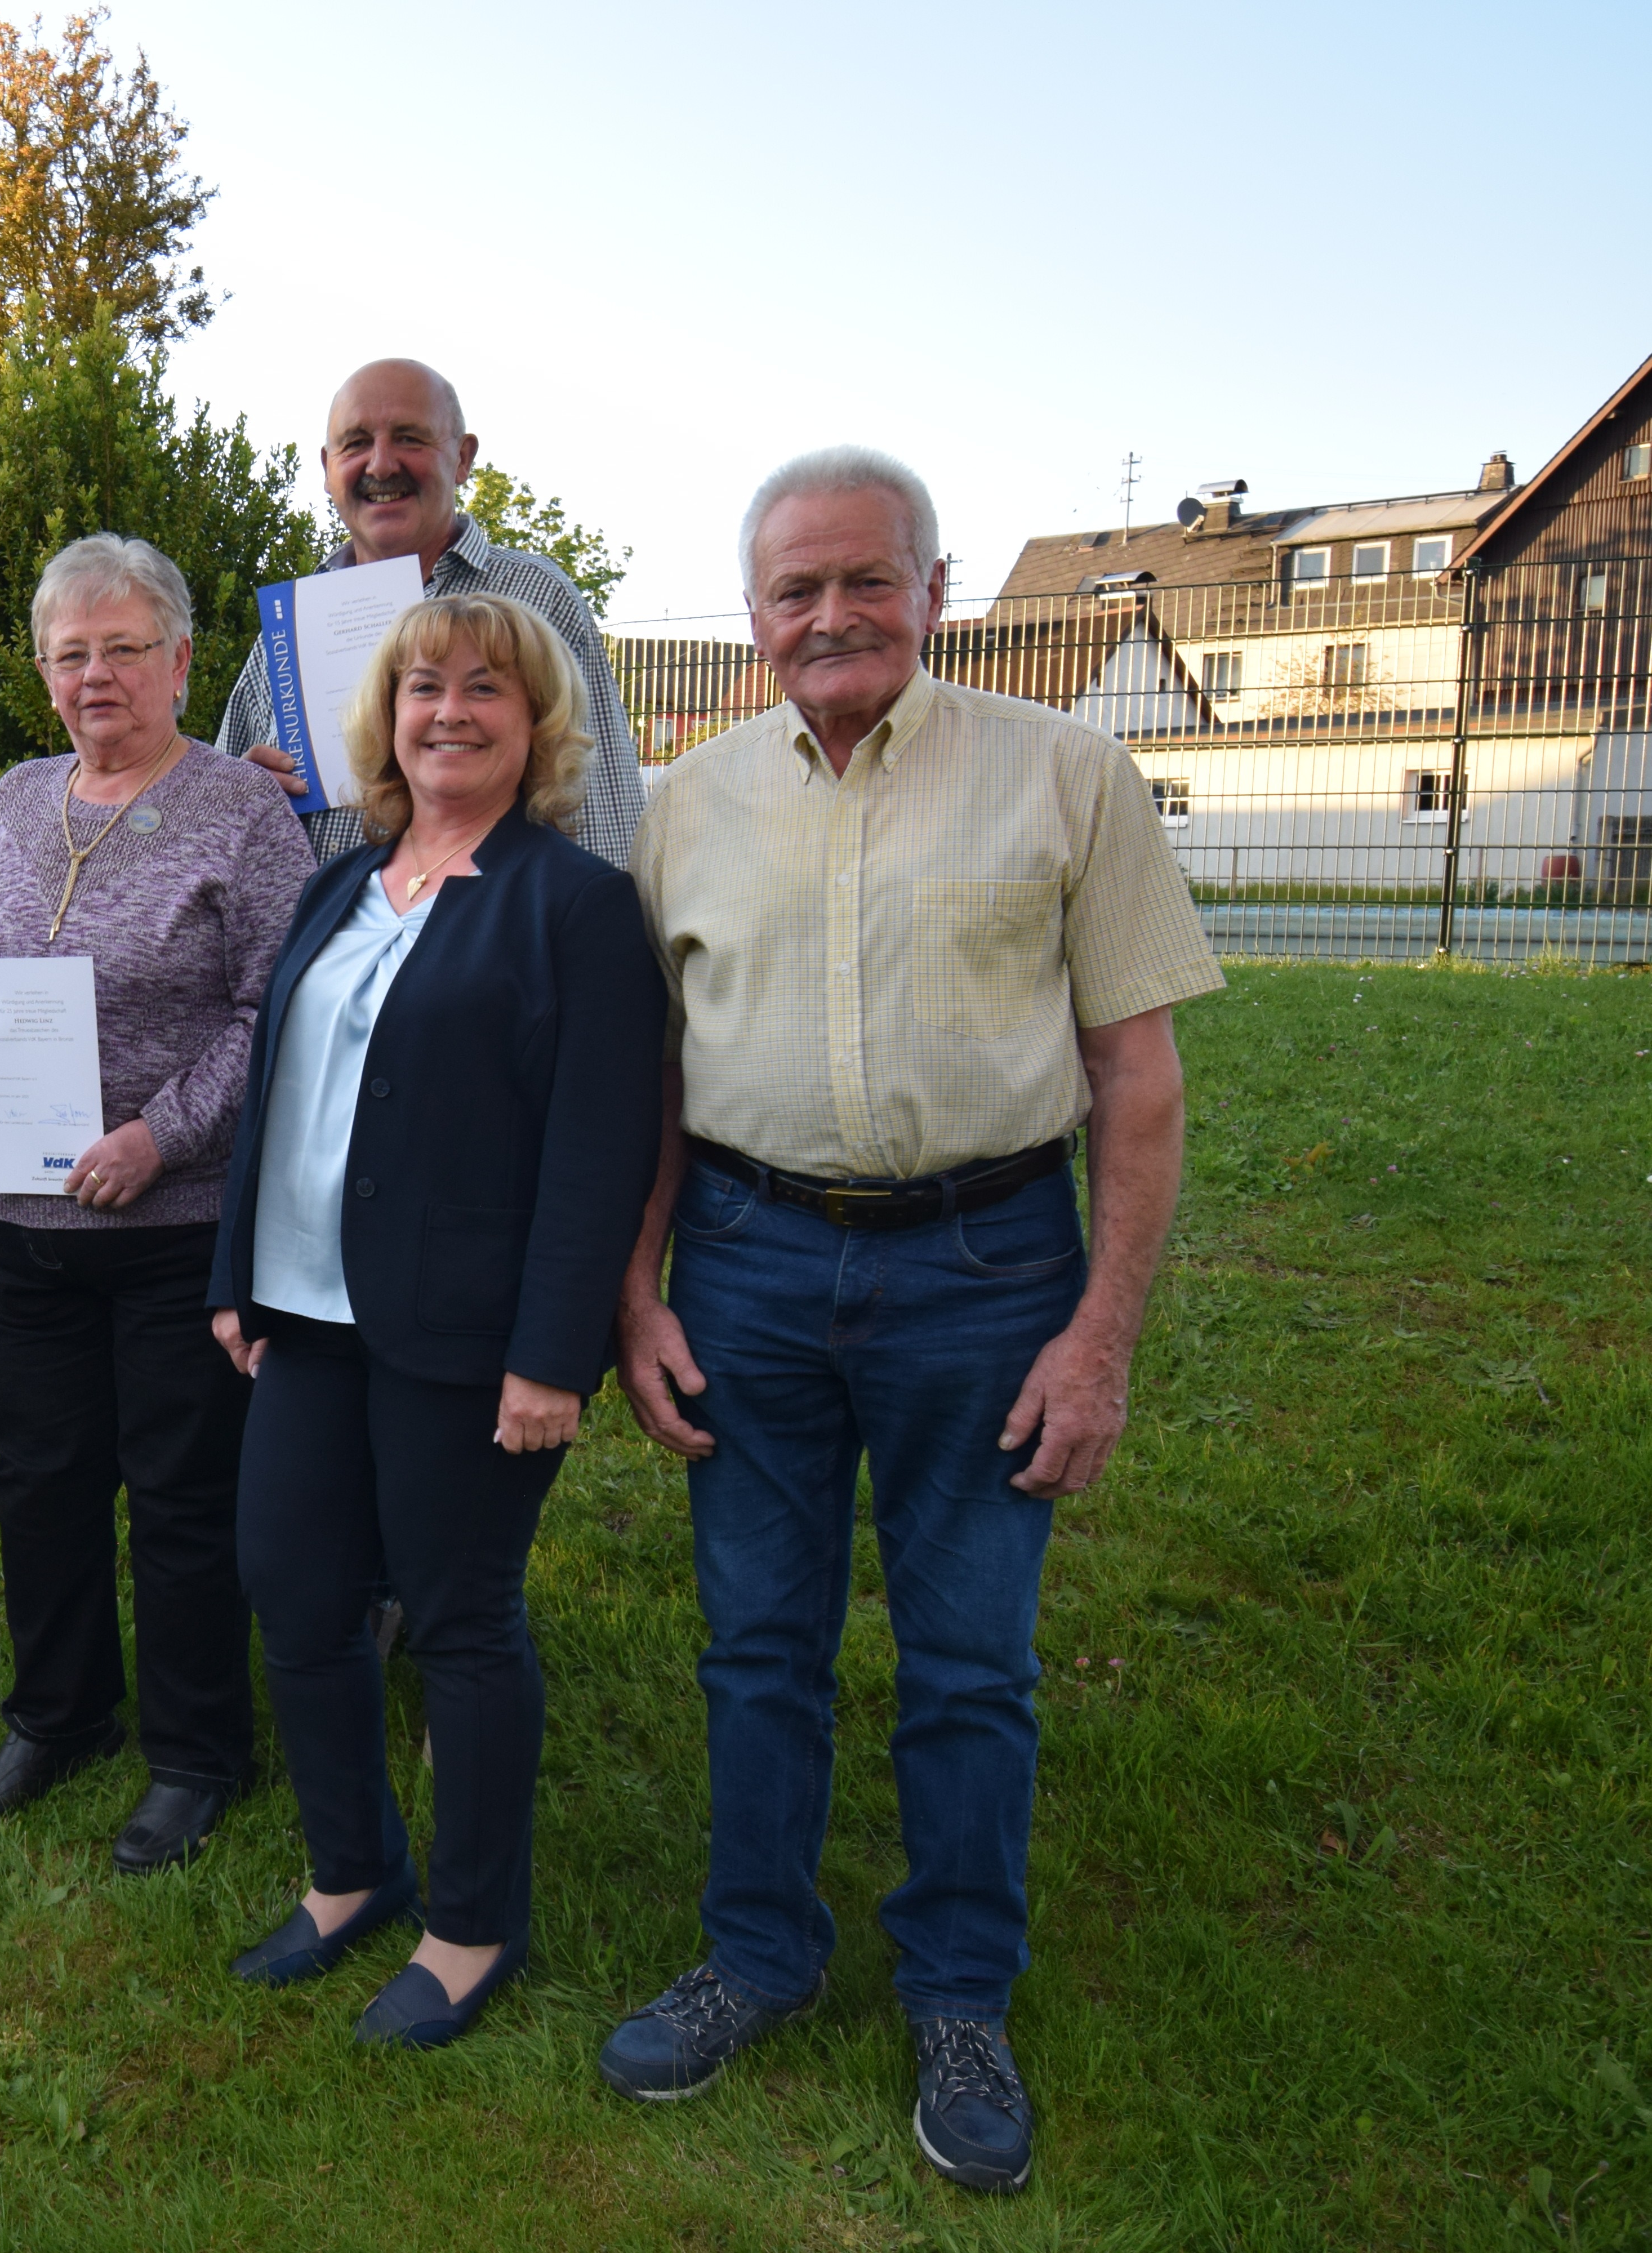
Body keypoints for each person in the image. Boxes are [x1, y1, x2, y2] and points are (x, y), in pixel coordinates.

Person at [600, 448, 1221, 2193]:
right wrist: (635, 1287)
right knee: (753, 1646)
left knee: (968, 1662)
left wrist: (1096, 1337)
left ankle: (957, 1992)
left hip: (984, 1270)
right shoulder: (685, 802)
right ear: (749, 619)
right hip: (746, 1263)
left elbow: (1136, 1078)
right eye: (792, 591)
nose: (828, 616)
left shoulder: (1062, 773)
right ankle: (757, 1951)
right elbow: (648, 1074)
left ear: (933, 591)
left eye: (863, 580)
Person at [210, 591, 664, 2048]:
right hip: (310, 1311)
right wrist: (235, 1275)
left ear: (536, 725)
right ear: (385, 719)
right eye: (423, 688)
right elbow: (276, 1081)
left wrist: (552, 1353)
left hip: (470, 1334)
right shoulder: (338, 886)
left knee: (462, 1619)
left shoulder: (575, 905)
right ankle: (352, 1870)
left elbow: (601, 1150)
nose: (449, 711)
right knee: (292, 1588)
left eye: (485, 689)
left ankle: (472, 1925)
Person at [0, 533, 314, 1874]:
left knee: (182, 1489)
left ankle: (198, 1750)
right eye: (70, 653)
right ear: (43, 673)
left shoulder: (241, 814)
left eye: (123, 648)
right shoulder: (16, 797)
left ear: (183, 661)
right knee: (39, 1479)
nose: (97, 675)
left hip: (173, 1225)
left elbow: (281, 1008)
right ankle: (59, 1711)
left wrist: (164, 1131)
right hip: (23, 1225)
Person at [214, 359, 647, 870]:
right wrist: (242, 797)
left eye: (409, 439)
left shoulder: (537, 599)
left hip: (489, 939)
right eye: (355, 444)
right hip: (319, 944)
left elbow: (606, 816)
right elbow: (217, 831)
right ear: (328, 469)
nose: (380, 465)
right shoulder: (289, 632)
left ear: (463, 459)